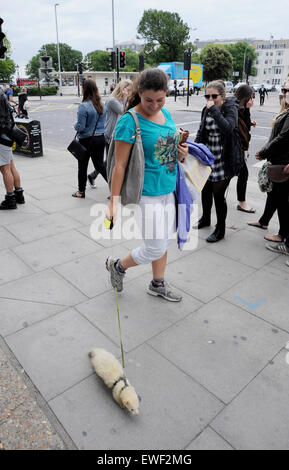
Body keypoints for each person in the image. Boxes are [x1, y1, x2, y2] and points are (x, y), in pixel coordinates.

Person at [105, 68, 188, 302]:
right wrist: (113, 202)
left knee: (164, 240)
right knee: (155, 247)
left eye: (160, 99)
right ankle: (118, 266)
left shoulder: (167, 115)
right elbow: (118, 166)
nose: (154, 105)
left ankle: (157, 283)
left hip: (169, 188)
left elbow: (168, 151)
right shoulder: (129, 121)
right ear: (139, 92)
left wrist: (182, 151)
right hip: (146, 193)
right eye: (149, 100)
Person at [194, 80, 240, 243]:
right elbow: (201, 131)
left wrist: (213, 109)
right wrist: (195, 150)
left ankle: (220, 229)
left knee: (218, 195)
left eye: (214, 96)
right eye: (207, 96)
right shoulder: (206, 110)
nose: (210, 99)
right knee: (205, 190)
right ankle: (205, 218)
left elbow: (228, 128)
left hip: (224, 158)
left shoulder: (230, 108)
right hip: (207, 156)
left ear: (223, 95)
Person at [255, 81, 289, 265]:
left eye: (286, 90)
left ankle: (284, 237)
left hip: (283, 162)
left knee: (283, 202)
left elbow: (282, 138)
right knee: (279, 199)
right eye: (283, 90)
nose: (284, 93)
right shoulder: (286, 111)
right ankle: (281, 234)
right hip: (279, 161)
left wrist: (264, 151)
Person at [88, 79, 133, 189]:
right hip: (110, 134)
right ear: (122, 89)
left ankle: (92, 175)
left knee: (110, 160)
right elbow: (124, 111)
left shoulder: (122, 100)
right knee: (111, 162)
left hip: (119, 133)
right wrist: (126, 98)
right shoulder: (112, 100)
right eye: (128, 89)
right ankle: (111, 189)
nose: (130, 92)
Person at [72, 78, 107, 198]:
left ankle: (81, 192)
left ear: (84, 90)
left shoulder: (83, 106)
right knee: (100, 166)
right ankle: (116, 188)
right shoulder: (102, 104)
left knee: (82, 166)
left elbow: (80, 127)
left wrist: (74, 125)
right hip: (100, 138)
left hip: (86, 140)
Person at [0, 89, 25, 209]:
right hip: (8, 136)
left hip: (1, 138)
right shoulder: (3, 98)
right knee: (11, 166)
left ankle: (10, 199)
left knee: (5, 169)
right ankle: (19, 194)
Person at [234, 84, 257, 213]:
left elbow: (245, 125)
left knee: (239, 174)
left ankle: (241, 202)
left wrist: (249, 121)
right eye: (250, 98)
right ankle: (242, 203)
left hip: (240, 148)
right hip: (235, 149)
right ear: (244, 98)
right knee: (243, 173)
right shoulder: (235, 110)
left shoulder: (243, 109)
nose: (252, 101)